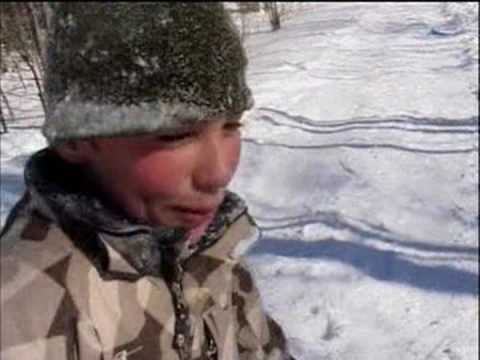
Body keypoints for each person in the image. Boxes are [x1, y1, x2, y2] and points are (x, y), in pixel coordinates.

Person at [0, 3, 294, 359]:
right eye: (175, 135)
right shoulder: (22, 312)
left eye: (232, 125)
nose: (219, 172)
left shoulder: (205, 247)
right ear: (76, 141)